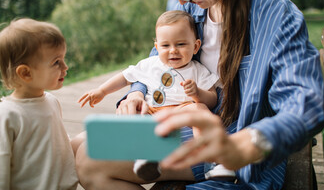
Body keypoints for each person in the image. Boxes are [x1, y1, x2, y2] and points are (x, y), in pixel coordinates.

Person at [75, 0, 324, 189]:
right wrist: (136, 93)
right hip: (183, 122)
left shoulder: (276, 15)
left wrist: (249, 143)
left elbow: (306, 103)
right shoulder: (187, 5)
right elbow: (157, 59)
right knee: (81, 145)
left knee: (91, 158)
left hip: (233, 145)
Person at [77, 10, 221, 181]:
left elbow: (213, 99)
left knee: (200, 108)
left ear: (195, 46)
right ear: (157, 46)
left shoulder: (197, 70)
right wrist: (102, 90)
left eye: (181, 44)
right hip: (152, 111)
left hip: (181, 111)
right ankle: (144, 158)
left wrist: (198, 93)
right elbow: (125, 77)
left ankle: (210, 156)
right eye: (166, 46)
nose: (173, 51)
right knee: (134, 116)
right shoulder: (150, 64)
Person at [0, 18, 78, 190]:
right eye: (56, 62)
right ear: (26, 73)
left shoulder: (51, 101)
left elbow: (58, 144)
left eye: (63, 59)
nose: (65, 67)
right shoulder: (8, 114)